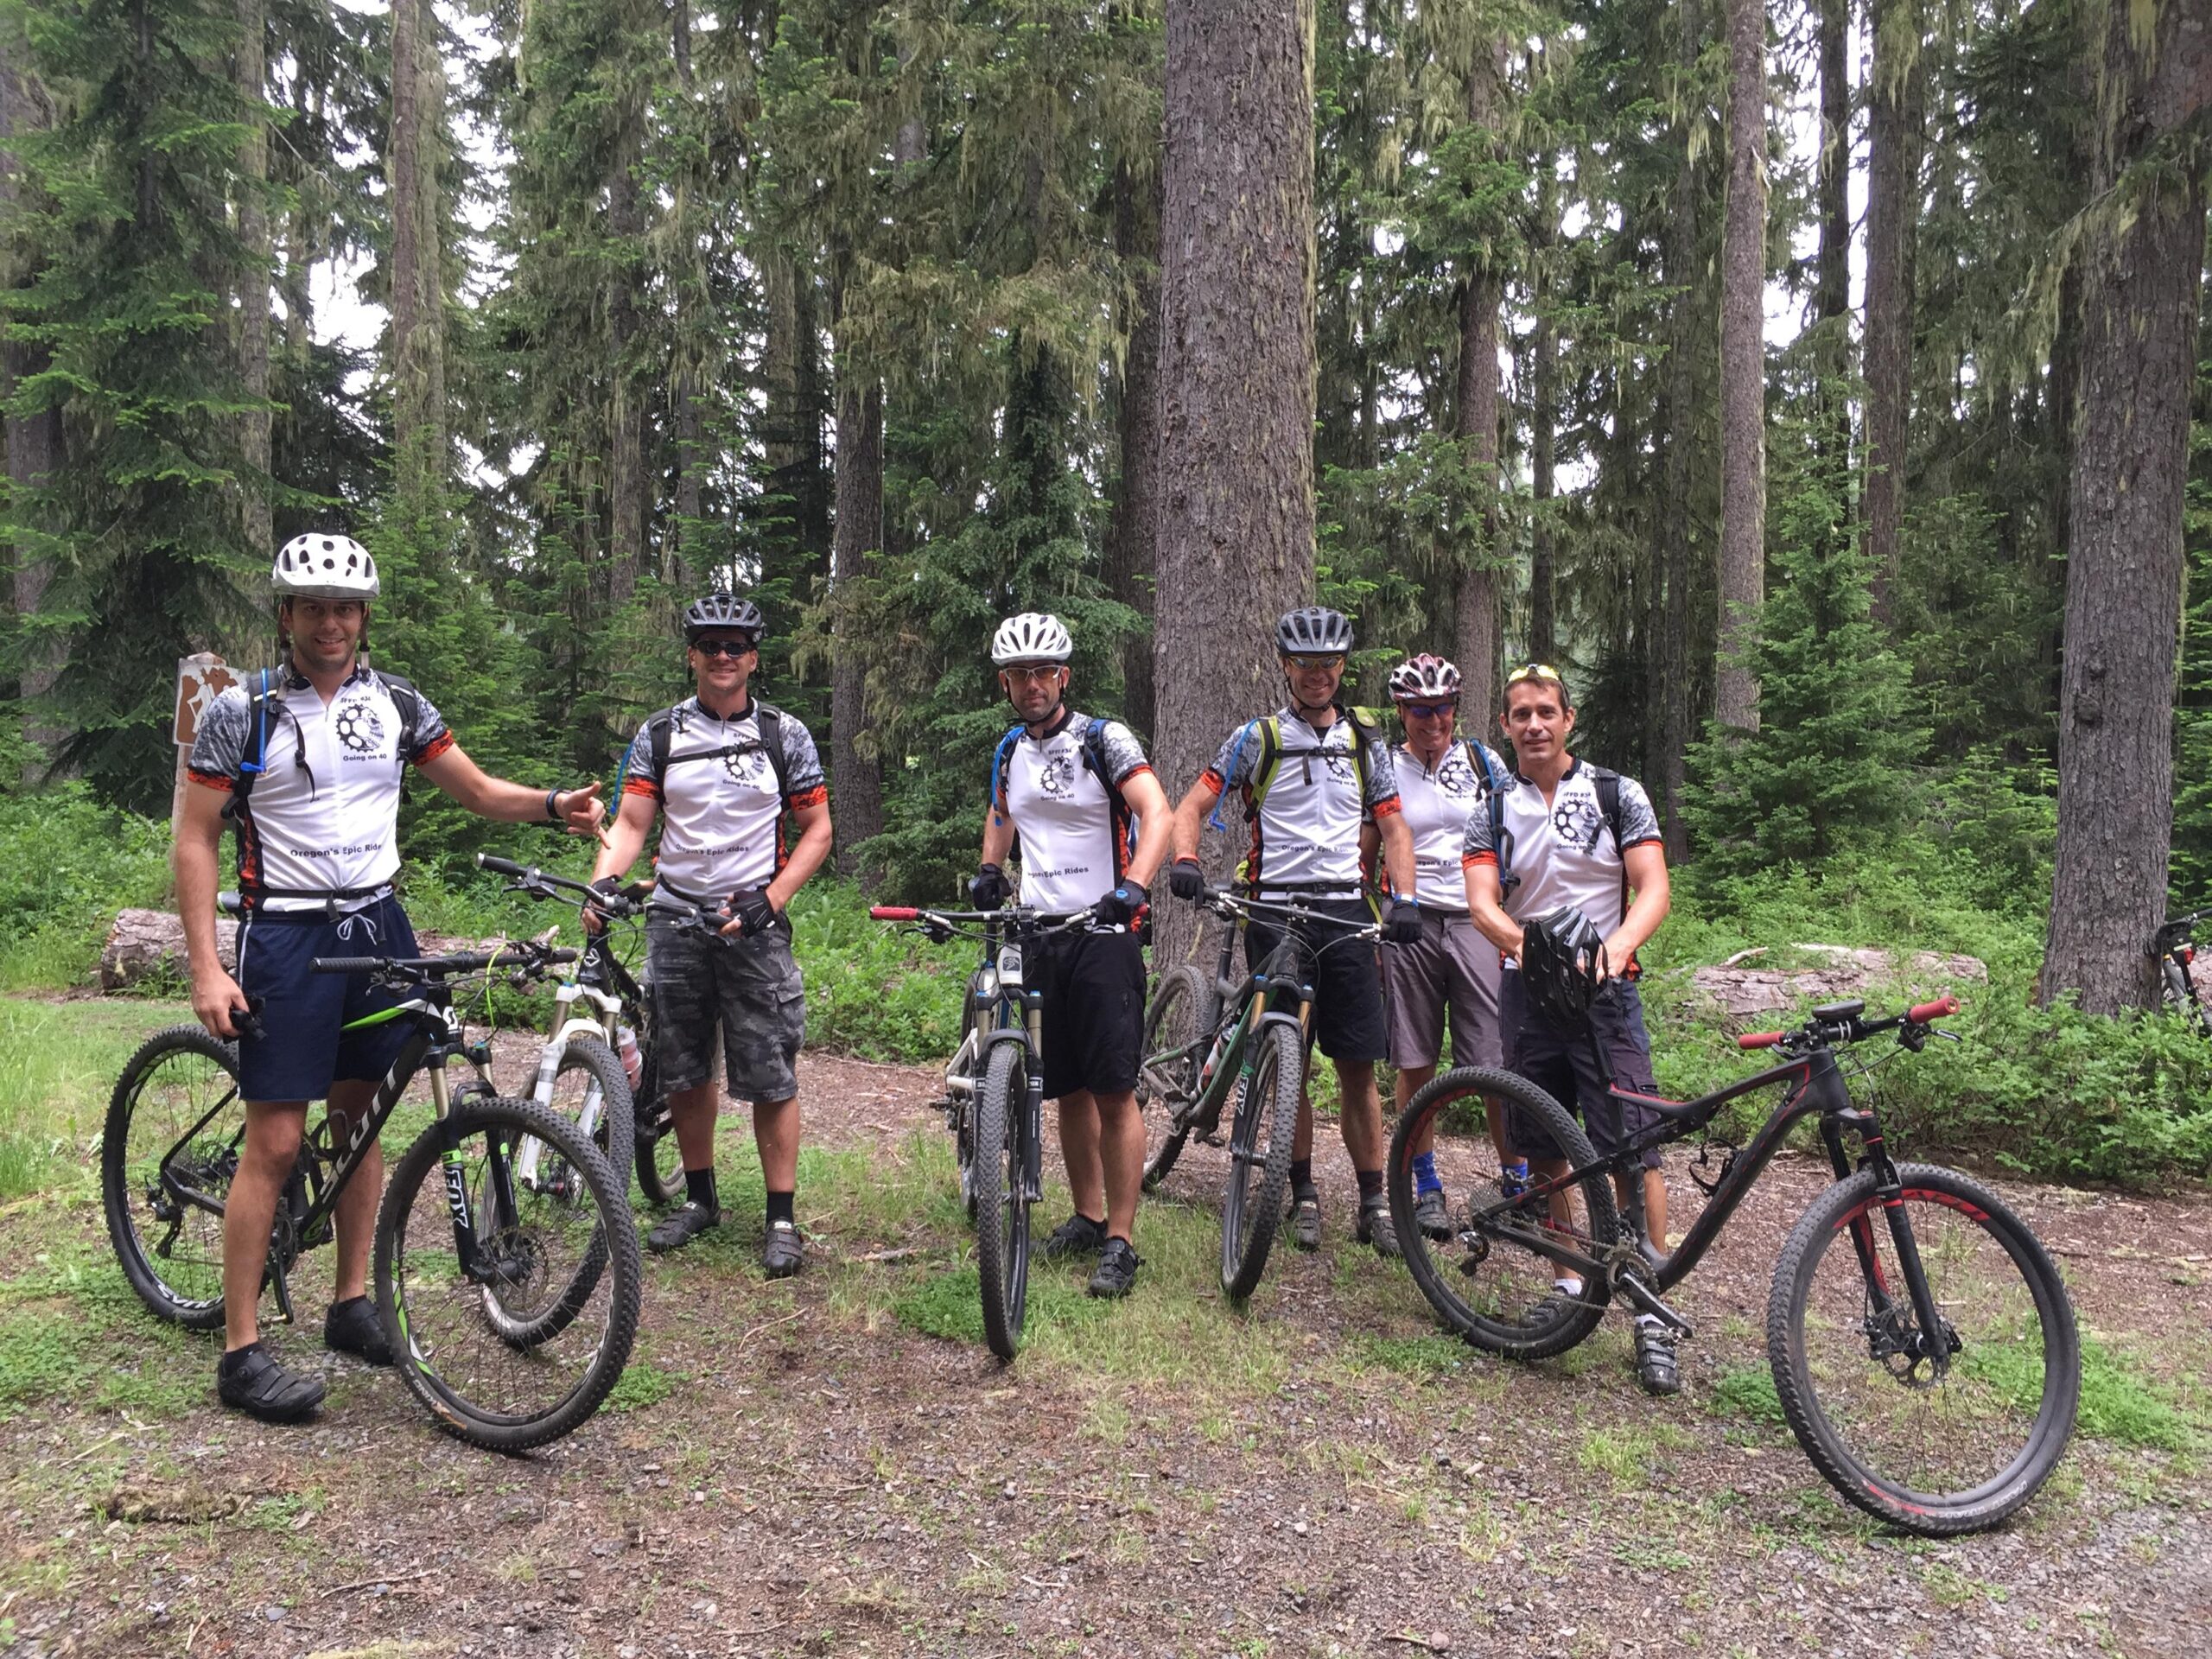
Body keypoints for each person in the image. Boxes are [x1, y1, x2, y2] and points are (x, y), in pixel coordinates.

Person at [177, 532, 607, 1423]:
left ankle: (348, 1304)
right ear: (286, 614)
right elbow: (196, 838)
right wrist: (206, 965)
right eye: (312, 607)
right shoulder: (240, 711)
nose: (330, 623)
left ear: (363, 616)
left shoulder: (398, 704)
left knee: (362, 1116)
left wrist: (553, 805)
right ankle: (242, 1351)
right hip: (286, 934)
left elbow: (479, 790)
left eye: (345, 608)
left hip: (379, 926)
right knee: (279, 1142)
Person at [588, 594, 833, 1278]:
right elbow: (633, 823)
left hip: (753, 927)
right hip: (677, 920)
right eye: (710, 645)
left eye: (736, 646)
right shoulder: (660, 734)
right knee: (685, 1069)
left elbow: (818, 830)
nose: (723, 657)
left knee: (770, 1073)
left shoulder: (785, 735)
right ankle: (700, 1199)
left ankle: (781, 1216)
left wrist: (772, 898)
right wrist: (605, 882)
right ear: (692, 655)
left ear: (754, 658)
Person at [1166, 607, 1421, 1256]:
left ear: (1342, 668)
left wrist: (1407, 899)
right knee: (1290, 1059)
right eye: (1305, 664)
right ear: (1286, 666)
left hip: (1344, 911)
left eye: (1328, 664)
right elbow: (1193, 806)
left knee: (1358, 1066)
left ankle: (1371, 1201)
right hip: (1273, 909)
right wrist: (1187, 859)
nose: (1317, 675)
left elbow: (1393, 829)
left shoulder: (1366, 742)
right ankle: (1300, 1190)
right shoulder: (1256, 738)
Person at [1460, 662, 1679, 1394]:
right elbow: (1483, 903)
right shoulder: (1491, 805)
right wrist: (1532, 952)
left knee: (1634, 1148)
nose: (1533, 725)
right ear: (1505, 726)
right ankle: (1567, 1288)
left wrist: (1612, 954)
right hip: (1529, 994)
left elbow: (1653, 887)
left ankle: (1651, 1311)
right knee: (1546, 1148)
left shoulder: (1618, 792)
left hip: (1609, 995)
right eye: (1520, 714)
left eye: (1545, 711)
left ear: (1568, 718)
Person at [972, 613, 1174, 1298]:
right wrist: (989, 867)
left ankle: (1121, 1238)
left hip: (1105, 932)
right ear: (1006, 683)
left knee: (1114, 1088)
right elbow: (1003, 813)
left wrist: (1134, 887)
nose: (1033, 685)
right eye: (1020, 675)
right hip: (1040, 932)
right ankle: (1087, 1214)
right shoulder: (1008, 750)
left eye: (1044, 672)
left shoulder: (1102, 739)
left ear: (1064, 676)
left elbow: (1157, 809)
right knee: (1064, 1086)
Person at [1379, 654, 1512, 1239]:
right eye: (1419, 709)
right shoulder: (1384, 767)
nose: (1433, 720)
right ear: (1402, 711)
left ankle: (1519, 1179)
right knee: (1416, 1058)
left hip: (1475, 919)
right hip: (1409, 921)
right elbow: (1370, 840)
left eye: (1443, 707)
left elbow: (1519, 829)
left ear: (1457, 707)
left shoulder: (1483, 762)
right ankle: (1425, 1182)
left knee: (1492, 1058)